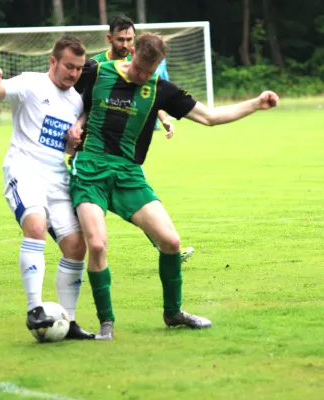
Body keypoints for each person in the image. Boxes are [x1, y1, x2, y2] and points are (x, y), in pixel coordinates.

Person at [68, 32, 279, 340]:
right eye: (140, 68)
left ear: (159, 66)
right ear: (133, 53)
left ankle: (173, 313)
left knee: (171, 241)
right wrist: (75, 124)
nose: (142, 76)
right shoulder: (97, 71)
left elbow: (210, 117)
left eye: (150, 72)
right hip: (89, 169)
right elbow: (62, 93)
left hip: (128, 174)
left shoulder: (160, 89)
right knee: (97, 245)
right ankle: (106, 325)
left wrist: (256, 103)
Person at [0, 35, 94, 340]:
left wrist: (73, 143)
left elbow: (67, 148)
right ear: (53, 61)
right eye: (69, 66)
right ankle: (34, 309)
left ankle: (68, 323)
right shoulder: (30, 83)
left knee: (77, 246)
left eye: (79, 69)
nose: (73, 74)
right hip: (24, 170)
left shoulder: (75, 101)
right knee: (36, 224)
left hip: (57, 179)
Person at [74, 15, 194, 262]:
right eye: (121, 39)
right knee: (87, 209)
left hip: (123, 152)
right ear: (110, 38)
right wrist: (76, 127)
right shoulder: (95, 67)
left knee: (140, 198)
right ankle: (76, 251)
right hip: (90, 147)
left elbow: (150, 97)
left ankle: (165, 247)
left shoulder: (137, 65)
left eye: (130, 39)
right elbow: (79, 103)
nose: (126, 44)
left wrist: (163, 118)